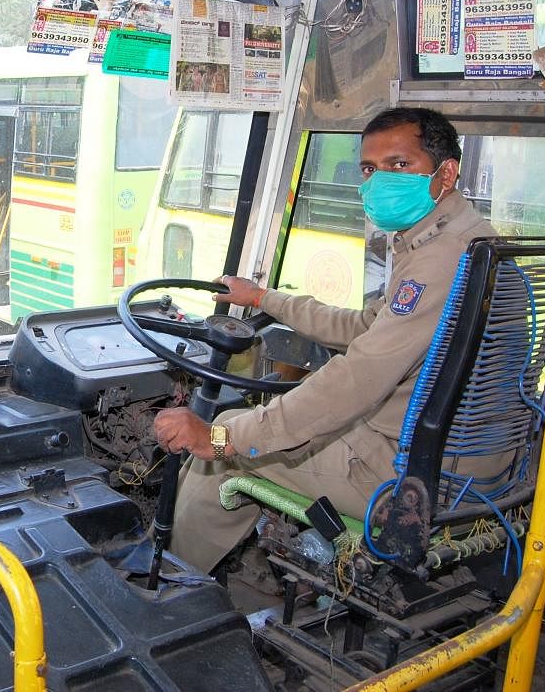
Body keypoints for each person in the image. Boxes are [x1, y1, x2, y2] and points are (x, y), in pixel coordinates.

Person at [153, 107, 499, 574]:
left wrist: (222, 438)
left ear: (447, 173)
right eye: (370, 169)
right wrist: (264, 297)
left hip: (414, 478)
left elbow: (358, 376)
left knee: (224, 454)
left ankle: (172, 590)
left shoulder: (441, 257)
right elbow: (362, 328)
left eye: (400, 165)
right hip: (458, 460)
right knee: (257, 427)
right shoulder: (460, 238)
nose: (379, 182)